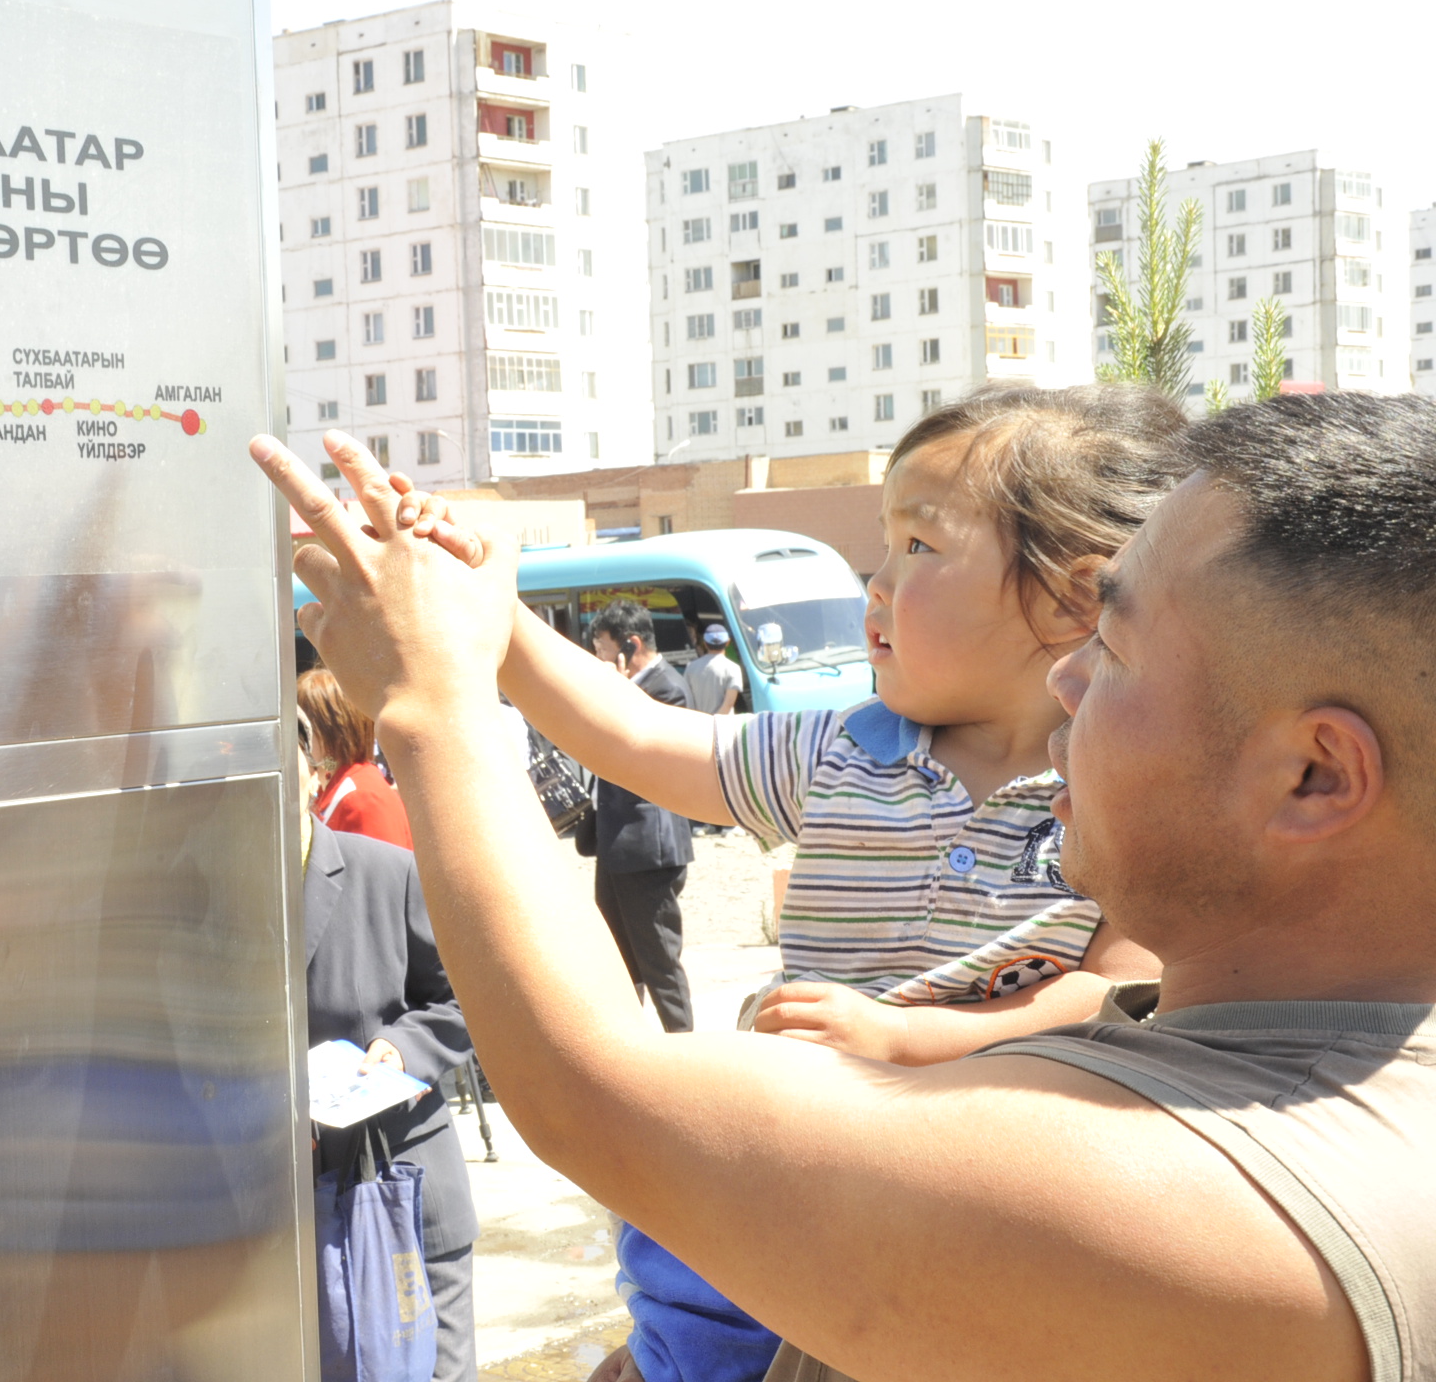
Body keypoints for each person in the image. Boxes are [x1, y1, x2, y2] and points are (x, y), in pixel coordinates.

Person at [252, 391, 1436, 1382]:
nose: (1068, 681)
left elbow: (602, 1102)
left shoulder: (1216, 1197)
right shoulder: (1279, 1070)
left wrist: (433, 697)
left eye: (1113, 651)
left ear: (1312, 774)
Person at [297, 728, 480, 1382]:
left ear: (313, 774)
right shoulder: (217, 894)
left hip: (400, 1183)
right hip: (293, 1209)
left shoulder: (387, 872)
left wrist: (402, 1049)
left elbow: (464, 998)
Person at [587, 599, 696, 1033]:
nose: (597, 657)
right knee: (615, 956)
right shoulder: (634, 684)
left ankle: (685, 1048)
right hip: (617, 845)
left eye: (601, 647)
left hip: (650, 848)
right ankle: (627, 1046)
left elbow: (638, 747)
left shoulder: (668, 687)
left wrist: (615, 690)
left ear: (629, 646)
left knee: (658, 959)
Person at [300, 665, 413, 849]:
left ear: (329, 729)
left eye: (304, 728)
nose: (297, 739)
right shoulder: (336, 782)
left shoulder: (364, 798)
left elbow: (380, 873)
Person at [683, 623, 743, 717]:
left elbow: (686, 698)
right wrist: (713, 723)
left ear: (705, 643)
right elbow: (729, 703)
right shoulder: (733, 668)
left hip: (697, 724)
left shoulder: (691, 667)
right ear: (728, 642)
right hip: (723, 726)